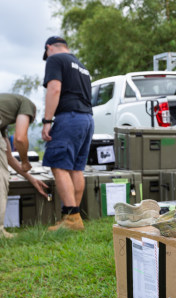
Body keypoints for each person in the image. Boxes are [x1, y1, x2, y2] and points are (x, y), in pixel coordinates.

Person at [41, 36, 94, 231]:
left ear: (49, 48)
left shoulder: (55, 59)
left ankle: (71, 219)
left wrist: (47, 121)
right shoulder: (81, 66)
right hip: (87, 119)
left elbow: (54, 89)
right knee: (75, 168)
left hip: (69, 118)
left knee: (58, 164)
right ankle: (73, 216)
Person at [0, 93, 49, 238]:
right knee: (1, 179)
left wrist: (31, 178)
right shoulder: (26, 104)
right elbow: (20, 138)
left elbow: (8, 156)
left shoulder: (3, 120)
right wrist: (25, 161)